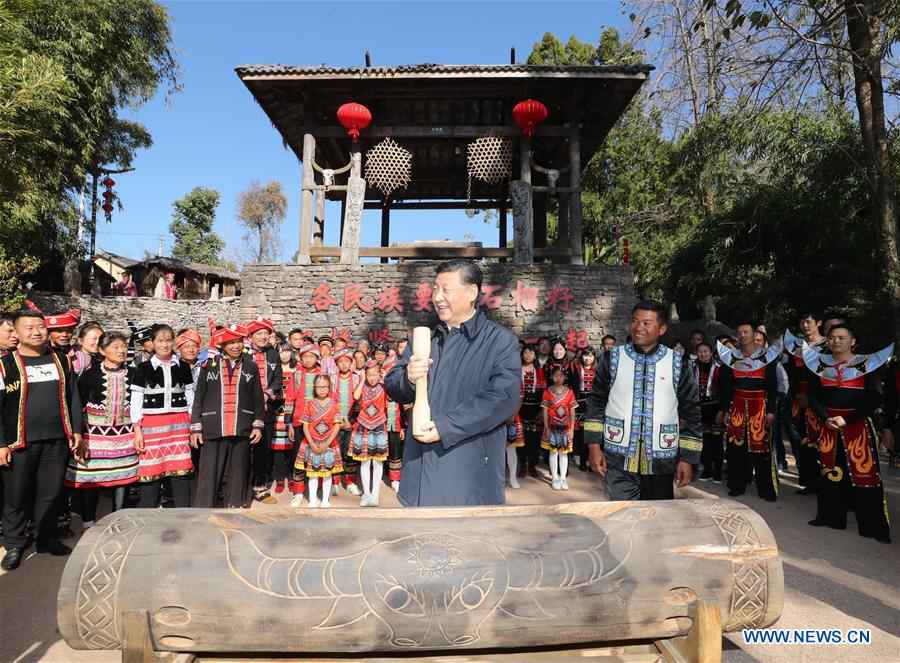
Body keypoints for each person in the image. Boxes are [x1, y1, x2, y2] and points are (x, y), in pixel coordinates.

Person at [385, 260, 521, 507]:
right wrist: (409, 378)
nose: (437, 297)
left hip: (467, 477)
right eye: (435, 289)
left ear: (471, 292)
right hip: (418, 472)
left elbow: (503, 399)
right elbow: (393, 384)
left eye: (445, 289)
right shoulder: (426, 338)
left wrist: (446, 427)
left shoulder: (499, 341)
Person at [584, 301, 702, 501]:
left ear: (662, 328)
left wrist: (688, 459)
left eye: (646, 323)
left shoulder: (678, 363)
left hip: (662, 458)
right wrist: (594, 446)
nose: (639, 327)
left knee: (656, 521)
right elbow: (596, 403)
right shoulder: (612, 358)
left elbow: (691, 412)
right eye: (635, 321)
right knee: (621, 518)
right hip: (618, 457)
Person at [0, 310, 83, 570]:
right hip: (19, 441)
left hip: (57, 440)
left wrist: (77, 430)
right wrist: (1, 442)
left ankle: (45, 537)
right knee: (16, 494)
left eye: (40, 326)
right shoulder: (5, 365)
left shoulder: (61, 360)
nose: (36, 332)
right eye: (29, 327)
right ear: (17, 332)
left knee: (50, 493)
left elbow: (73, 397)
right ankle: (13, 543)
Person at [806, 324, 892, 543]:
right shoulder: (819, 365)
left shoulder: (867, 364)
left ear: (853, 341)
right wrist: (826, 417)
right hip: (829, 426)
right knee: (830, 471)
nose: (836, 341)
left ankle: (873, 526)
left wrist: (848, 419)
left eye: (842, 337)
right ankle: (830, 517)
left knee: (866, 476)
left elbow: (874, 398)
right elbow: (813, 397)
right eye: (832, 338)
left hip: (857, 427)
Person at [65, 332, 138, 527]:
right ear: (102, 350)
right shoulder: (90, 375)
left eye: (123, 346)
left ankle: (118, 518)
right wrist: (77, 434)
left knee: (122, 478)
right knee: (92, 480)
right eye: (115, 347)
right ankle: (88, 522)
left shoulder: (133, 373)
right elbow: (77, 404)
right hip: (94, 436)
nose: (121, 350)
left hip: (125, 435)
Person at [191, 324, 265, 509]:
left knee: (239, 471)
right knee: (209, 472)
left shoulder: (251, 366)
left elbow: (258, 396)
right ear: (222, 345)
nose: (235, 346)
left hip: (242, 425)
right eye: (230, 343)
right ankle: (204, 509)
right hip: (214, 426)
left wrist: (257, 426)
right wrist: (196, 427)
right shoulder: (209, 365)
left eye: (238, 341)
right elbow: (199, 396)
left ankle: (235, 505)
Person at [130, 324, 194, 507]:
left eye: (168, 340)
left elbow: (190, 397)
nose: (165, 345)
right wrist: (137, 430)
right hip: (151, 426)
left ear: (173, 342)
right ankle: (147, 513)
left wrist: (191, 423)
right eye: (160, 341)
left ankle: (183, 514)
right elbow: (136, 400)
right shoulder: (143, 368)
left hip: (179, 426)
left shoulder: (183, 367)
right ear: (152, 343)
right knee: (151, 472)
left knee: (180, 472)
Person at [717, 322, 781, 501]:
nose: (742, 335)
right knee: (735, 447)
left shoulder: (767, 358)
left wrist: (771, 411)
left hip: (759, 405)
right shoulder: (731, 358)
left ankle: (766, 489)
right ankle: (737, 485)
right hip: (737, 405)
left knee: (762, 449)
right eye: (739, 332)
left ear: (754, 335)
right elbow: (726, 388)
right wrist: (725, 409)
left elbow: (773, 387)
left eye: (746, 332)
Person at [784, 315, 827, 494]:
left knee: (823, 442)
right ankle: (809, 481)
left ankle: (828, 482)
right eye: (802, 321)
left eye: (809, 321)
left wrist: (810, 397)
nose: (805, 325)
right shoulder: (796, 346)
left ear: (819, 323)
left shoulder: (828, 346)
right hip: (797, 399)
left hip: (820, 400)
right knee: (801, 440)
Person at [246, 317, 282, 504]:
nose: (263, 337)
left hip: (266, 407)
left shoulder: (273, 354)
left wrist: (267, 394)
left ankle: (259, 487)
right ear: (251, 336)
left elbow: (278, 379)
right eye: (259, 333)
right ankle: (243, 487)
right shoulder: (243, 354)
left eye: (266, 334)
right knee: (245, 448)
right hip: (245, 408)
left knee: (263, 447)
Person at [295, 374, 343, 508]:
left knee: (327, 474)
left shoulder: (334, 405)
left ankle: (325, 500)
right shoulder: (309, 404)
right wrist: (312, 443)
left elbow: (337, 425)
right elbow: (305, 426)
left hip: (329, 444)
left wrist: (327, 443)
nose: (322, 389)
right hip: (311, 443)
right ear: (314, 388)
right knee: (312, 474)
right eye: (319, 387)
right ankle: (312, 499)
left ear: (329, 388)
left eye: (325, 387)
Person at [351, 360, 390, 506]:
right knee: (365, 461)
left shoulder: (383, 387)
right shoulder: (363, 386)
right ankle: (366, 493)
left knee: (378, 462)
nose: (372, 378)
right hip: (364, 426)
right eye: (369, 375)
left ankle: (375, 494)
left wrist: (385, 379)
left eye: (375, 374)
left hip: (379, 425)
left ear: (379, 374)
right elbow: (355, 396)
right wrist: (361, 379)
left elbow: (392, 395)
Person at [287, 343, 321, 507]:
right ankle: (299, 492)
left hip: (317, 423)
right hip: (299, 422)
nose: (308, 359)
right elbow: (289, 399)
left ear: (316, 358)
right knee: (298, 458)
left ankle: (315, 491)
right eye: (304, 356)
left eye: (311, 356)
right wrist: (289, 423)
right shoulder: (297, 375)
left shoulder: (322, 375)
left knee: (316, 456)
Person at [332, 348, 362, 497]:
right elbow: (328, 401)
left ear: (351, 363)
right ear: (336, 364)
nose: (344, 364)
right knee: (334, 452)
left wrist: (352, 422)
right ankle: (335, 482)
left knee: (350, 453)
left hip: (352, 422)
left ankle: (350, 482)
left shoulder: (356, 378)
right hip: (335, 423)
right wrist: (337, 421)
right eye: (340, 362)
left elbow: (361, 402)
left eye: (347, 361)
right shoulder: (331, 379)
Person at [542, 366, 577, 490]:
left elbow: (572, 412)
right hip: (552, 427)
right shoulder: (547, 392)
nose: (558, 378)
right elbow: (545, 411)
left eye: (561, 375)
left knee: (564, 453)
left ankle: (563, 478)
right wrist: (546, 427)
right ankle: (555, 478)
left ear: (565, 377)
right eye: (556, 375)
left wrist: (572, 429)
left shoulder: (570, 392)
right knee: (553, 452)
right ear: (552, 377)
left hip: (565, 428)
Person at [694, 342, 723, 482]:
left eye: (706, 351)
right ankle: (707, 470)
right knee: (704, 441)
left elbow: (725, 391)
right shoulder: (692, 368)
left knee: (717, 441)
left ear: (711, 353)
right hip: (700, 408)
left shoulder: (719, 368)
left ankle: (718, 471)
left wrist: (722, 410)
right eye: (700, 351)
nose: (703, 354)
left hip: (715, 408)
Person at [517, 344, 545, 479]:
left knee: (534, 439)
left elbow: (544, 393)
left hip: (535, 408)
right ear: (522, 354)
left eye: (531, 353)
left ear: (535, 356)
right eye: (526, 353)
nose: (528, 355)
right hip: (520, 408)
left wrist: (541, 410)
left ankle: (532, 465)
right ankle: (522, 465)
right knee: (521, 438)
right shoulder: (516, 370)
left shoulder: (539, 372)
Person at [271, 342, 295, 494]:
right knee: (278, 448)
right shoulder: (274, 369)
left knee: (292, 447)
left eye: (287, 351)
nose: (285, 354)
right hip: (277, 413)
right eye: (281, 351)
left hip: (293, 412)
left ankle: (292, 477)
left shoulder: (296, 369)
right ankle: (279, 478)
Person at [382, 355, 406, 493]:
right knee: (382, 453)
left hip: (396, 426)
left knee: (396, 452)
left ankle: (395, 479)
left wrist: (402, 426)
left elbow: (403, 410)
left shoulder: (400, 390)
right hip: (382, 426)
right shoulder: (381, 389)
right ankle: (383, 475)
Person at [572, 346, 597, 471]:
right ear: (582, 356)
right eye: (586, 355)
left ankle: (592, 461)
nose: (588, 358)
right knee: (582, 434)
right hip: (580, 404)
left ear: (594, 357)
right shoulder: (576, 369)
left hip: (593, 404)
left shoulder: (597, 371)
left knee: (592, 434)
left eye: (591, 356)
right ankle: (582, 460)